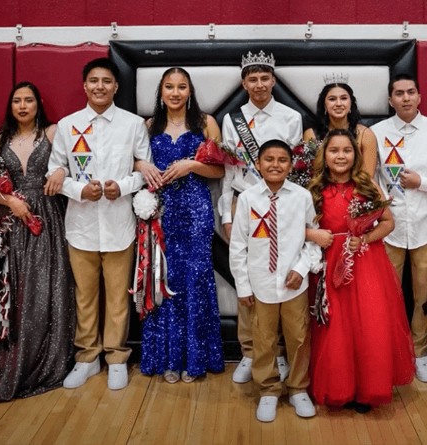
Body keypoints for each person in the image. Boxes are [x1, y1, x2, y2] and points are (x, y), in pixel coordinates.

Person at [0, 82, 75, 402]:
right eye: (17, 101)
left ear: (38, 103)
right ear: (10, 106)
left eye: (29, 100)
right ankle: (3, 360)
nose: (23, 106)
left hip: (46, 219)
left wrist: (62, 172)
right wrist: (10, 202)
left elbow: (71, 164)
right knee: (9, 288)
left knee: (42, 288)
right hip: (8, 221)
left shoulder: (53, 133)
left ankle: (42, 357)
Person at [48, 58, 151, 391]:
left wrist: (121, 186)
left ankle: (116, 356)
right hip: (81, 225)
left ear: (116, 86)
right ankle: (86, 357)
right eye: (94, 81)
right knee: (85, 296)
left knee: (119, 297)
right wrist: (80, 190)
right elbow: (55, 172)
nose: (100, 87)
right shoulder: (67, 125)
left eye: (106, 81)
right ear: (84, 85)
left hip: (120, 223)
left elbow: (144, 171)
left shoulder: (133, 124)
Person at [306, 129, 414, 412]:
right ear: (324, 156)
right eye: (334, 151)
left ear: (356, 155)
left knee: (368, 324)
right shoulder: (313, 189)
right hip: (329, 262)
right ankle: (340, 386)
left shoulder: (368, 185)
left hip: (365, 261)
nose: (341, 156)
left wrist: (364, 238)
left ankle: (367, 388)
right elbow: (297, 225)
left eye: (347, 150)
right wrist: (315, 235)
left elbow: (388, 222)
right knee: (336, 326)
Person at [135, 67, 225, 384]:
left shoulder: (206, 123)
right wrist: (141, 164)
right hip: (160, 212)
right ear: (161, 92)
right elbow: (132, 161)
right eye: (169, 87)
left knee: (196, 280)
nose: (175, 92)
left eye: (181, 87)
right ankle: (167, 358)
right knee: (164, 279)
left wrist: (192, 165)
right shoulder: (147, 126)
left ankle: (196, 358)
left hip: (196, 210)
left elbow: (220, 172)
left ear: (190, 91)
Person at [370, 73, 427, 383]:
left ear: (420, 96)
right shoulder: (376, 133)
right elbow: (370, 177)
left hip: (425, 224)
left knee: (423, 293)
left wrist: (423, 182)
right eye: (399, 93)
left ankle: (420, 353)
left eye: (411, 92)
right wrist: (381, 201)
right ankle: (391, 353)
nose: (405, 98)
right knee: (388, 294)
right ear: (390, 99)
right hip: (389, 227)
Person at [220, 51, 303, 384]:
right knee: (249, 278)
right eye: (252, 79)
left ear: (274, 80)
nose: (259, 84)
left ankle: (279, 352)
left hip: (283, 203)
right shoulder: (232, 119)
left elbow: (296, 171)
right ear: (244, 83)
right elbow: (228, 171)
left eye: (264, 78)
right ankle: (250, 351)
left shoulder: (291, 117)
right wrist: (227, 212)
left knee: (282, 277)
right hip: (245, 203)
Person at [229, 139, 318, 423]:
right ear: (258, 164)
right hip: (260, 283)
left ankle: (297, 388)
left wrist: (302, 269)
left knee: (298, 337)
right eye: (268, 159)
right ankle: (268, 389)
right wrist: (243, 285)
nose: (275, 165)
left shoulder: (302, 197)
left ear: (291, 166)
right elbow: (238, 246)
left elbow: (313, 239)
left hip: (294, 284)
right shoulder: (247, 199)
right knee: (263, 339)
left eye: (282, 160)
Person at [303, 80, 378, 176]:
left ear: (351, 103)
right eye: (332, 99)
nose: (338, 104)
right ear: (324, 105)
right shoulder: (311, 134)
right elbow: (311, 175)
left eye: (343, 98)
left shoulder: (365, 135)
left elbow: (368, 177)